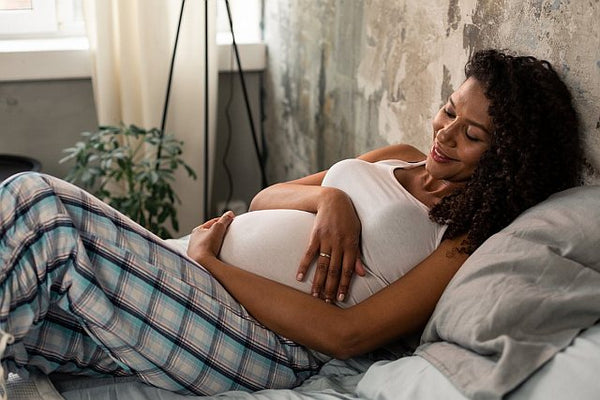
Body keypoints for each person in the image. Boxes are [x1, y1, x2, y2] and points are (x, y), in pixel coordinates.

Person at [0, 49, 582, 397]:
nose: (445, 134)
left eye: (472, 134)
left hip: (258, 339)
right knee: (38, 329)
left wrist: (213, 265)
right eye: (450, 110)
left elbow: (346, 336)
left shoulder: (464, 235)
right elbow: (264, 197)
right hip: (191, 282)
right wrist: (333, 201)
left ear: (508, 157)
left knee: (36, 204)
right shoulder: (400, 152)